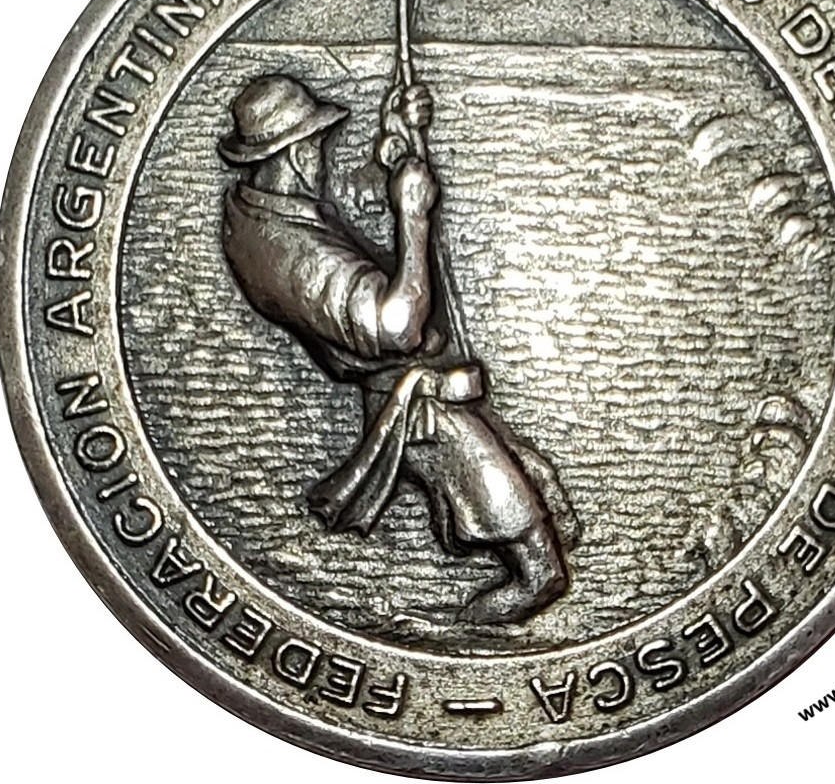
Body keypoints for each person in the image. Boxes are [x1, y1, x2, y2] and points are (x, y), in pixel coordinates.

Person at [219, 73, 573, 624]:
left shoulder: (260, 213)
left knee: (534, 484)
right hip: (414, 406)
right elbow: (397, 325)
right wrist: (413, 215)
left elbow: (343, 219)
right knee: (529, 543)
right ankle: (508, 599)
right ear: (296, 156)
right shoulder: (295, 255)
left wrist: (394, 141)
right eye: (317, 147)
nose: (322, 158)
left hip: (417, 389)